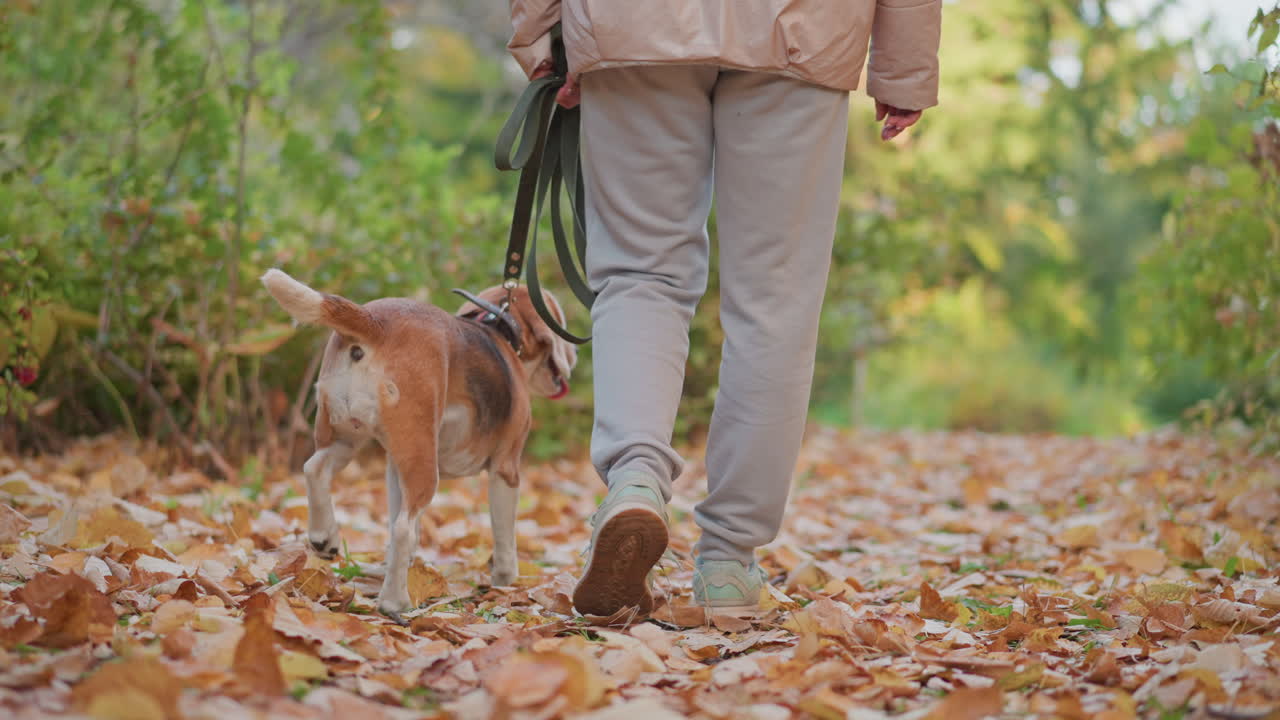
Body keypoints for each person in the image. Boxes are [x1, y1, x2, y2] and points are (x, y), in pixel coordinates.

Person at [506, 0, 942, 617]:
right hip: (804, 29)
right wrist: (905, 68)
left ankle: (635, 478)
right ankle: (729, 564)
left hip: (633, 23)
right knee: (776, 299)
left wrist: (538, 28)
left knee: (638, 269)